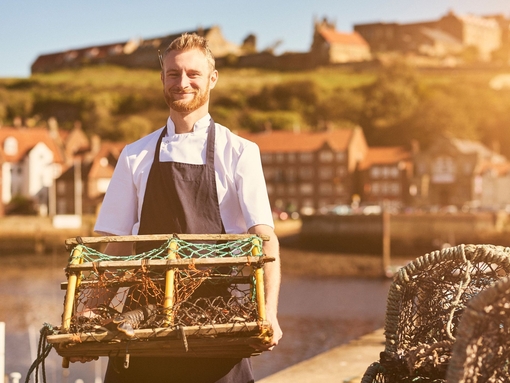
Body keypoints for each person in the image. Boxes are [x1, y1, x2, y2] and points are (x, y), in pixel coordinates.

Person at [72, 33, 282, 383]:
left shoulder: (240, 151)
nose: (182, 82)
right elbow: (117, 246)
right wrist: (90, 310)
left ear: (212, 78)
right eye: (173, 74)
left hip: (216, 319)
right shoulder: (135, 154)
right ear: (162, 79)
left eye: (193, 74)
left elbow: (264, 237)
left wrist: (270, 313)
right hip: (140, 325)